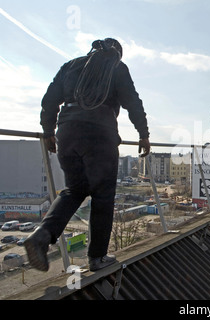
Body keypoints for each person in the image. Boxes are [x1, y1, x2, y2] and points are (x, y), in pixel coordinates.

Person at [24, 38, 151, 272]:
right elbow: (132, 102)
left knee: (75, 189)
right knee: (103, 195)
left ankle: (42, 235)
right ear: (118, 54)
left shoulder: (71, 65)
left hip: (68, 132)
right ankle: (97, 257)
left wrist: (48, 131)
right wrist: (143, 134)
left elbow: (50, 100)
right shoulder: (117, 67)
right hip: (100, 133)